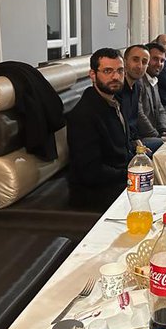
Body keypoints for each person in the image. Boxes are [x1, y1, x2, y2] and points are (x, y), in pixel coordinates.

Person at [66, 48, 133, 210]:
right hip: (96, 193)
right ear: (92, 75)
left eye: (120, 71)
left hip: (119, 179)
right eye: (107, 71)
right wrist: (132, 174)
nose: (115, 77)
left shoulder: (116, 101)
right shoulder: (84, 115)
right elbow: (91, 172)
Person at [118, 44, 164, 154]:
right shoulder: (118, 89)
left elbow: (132, 124)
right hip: (123, 147)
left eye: (144, 62)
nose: (139, 66)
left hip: (134, 141)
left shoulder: (136, 87)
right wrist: (136, 144)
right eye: (135, 60)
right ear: (125, 62)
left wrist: (137, 141)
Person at [138, 42, 166, 142]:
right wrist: (157, 136)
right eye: (155, 59)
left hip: (156, 131)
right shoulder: (138, 82)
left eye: (162, 60)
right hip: (142, 136)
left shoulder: (154, 79)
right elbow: (139, 115)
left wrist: (164, 130)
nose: (159, 64)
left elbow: (160, 109)